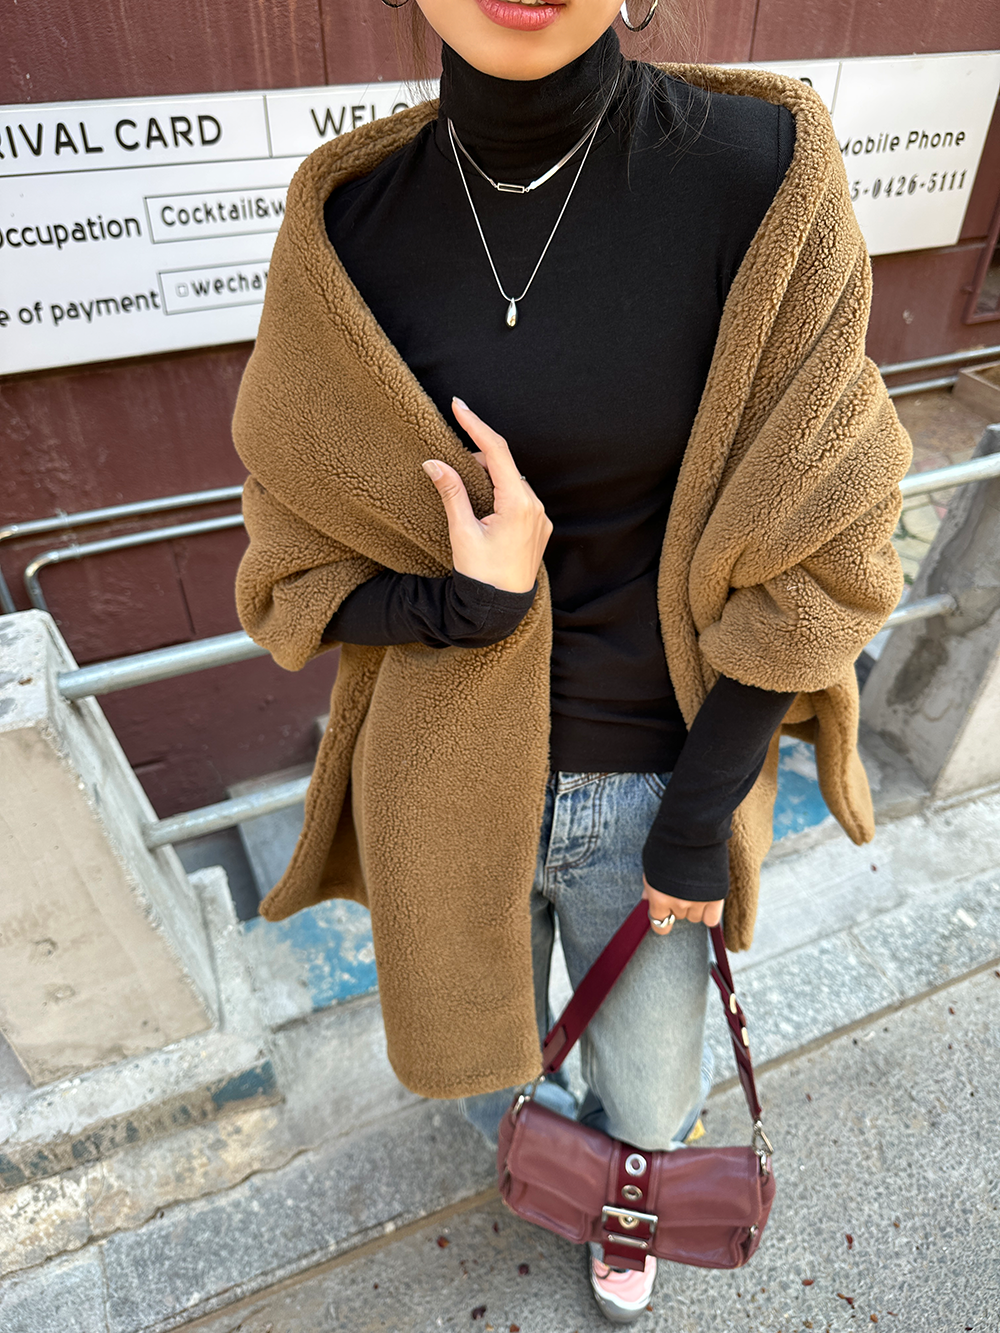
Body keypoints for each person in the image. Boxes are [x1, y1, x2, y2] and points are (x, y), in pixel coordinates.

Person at [232, 0, 911, 1321]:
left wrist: (701, 817)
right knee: (491, 1067)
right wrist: (465, 606)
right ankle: (554, 1166)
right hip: (437, 780)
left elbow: (827, 542)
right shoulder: (345, 221)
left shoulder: (760, 173)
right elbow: (289, 563)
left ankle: (626, 1196)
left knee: (650, 1090)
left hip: (657, 788)